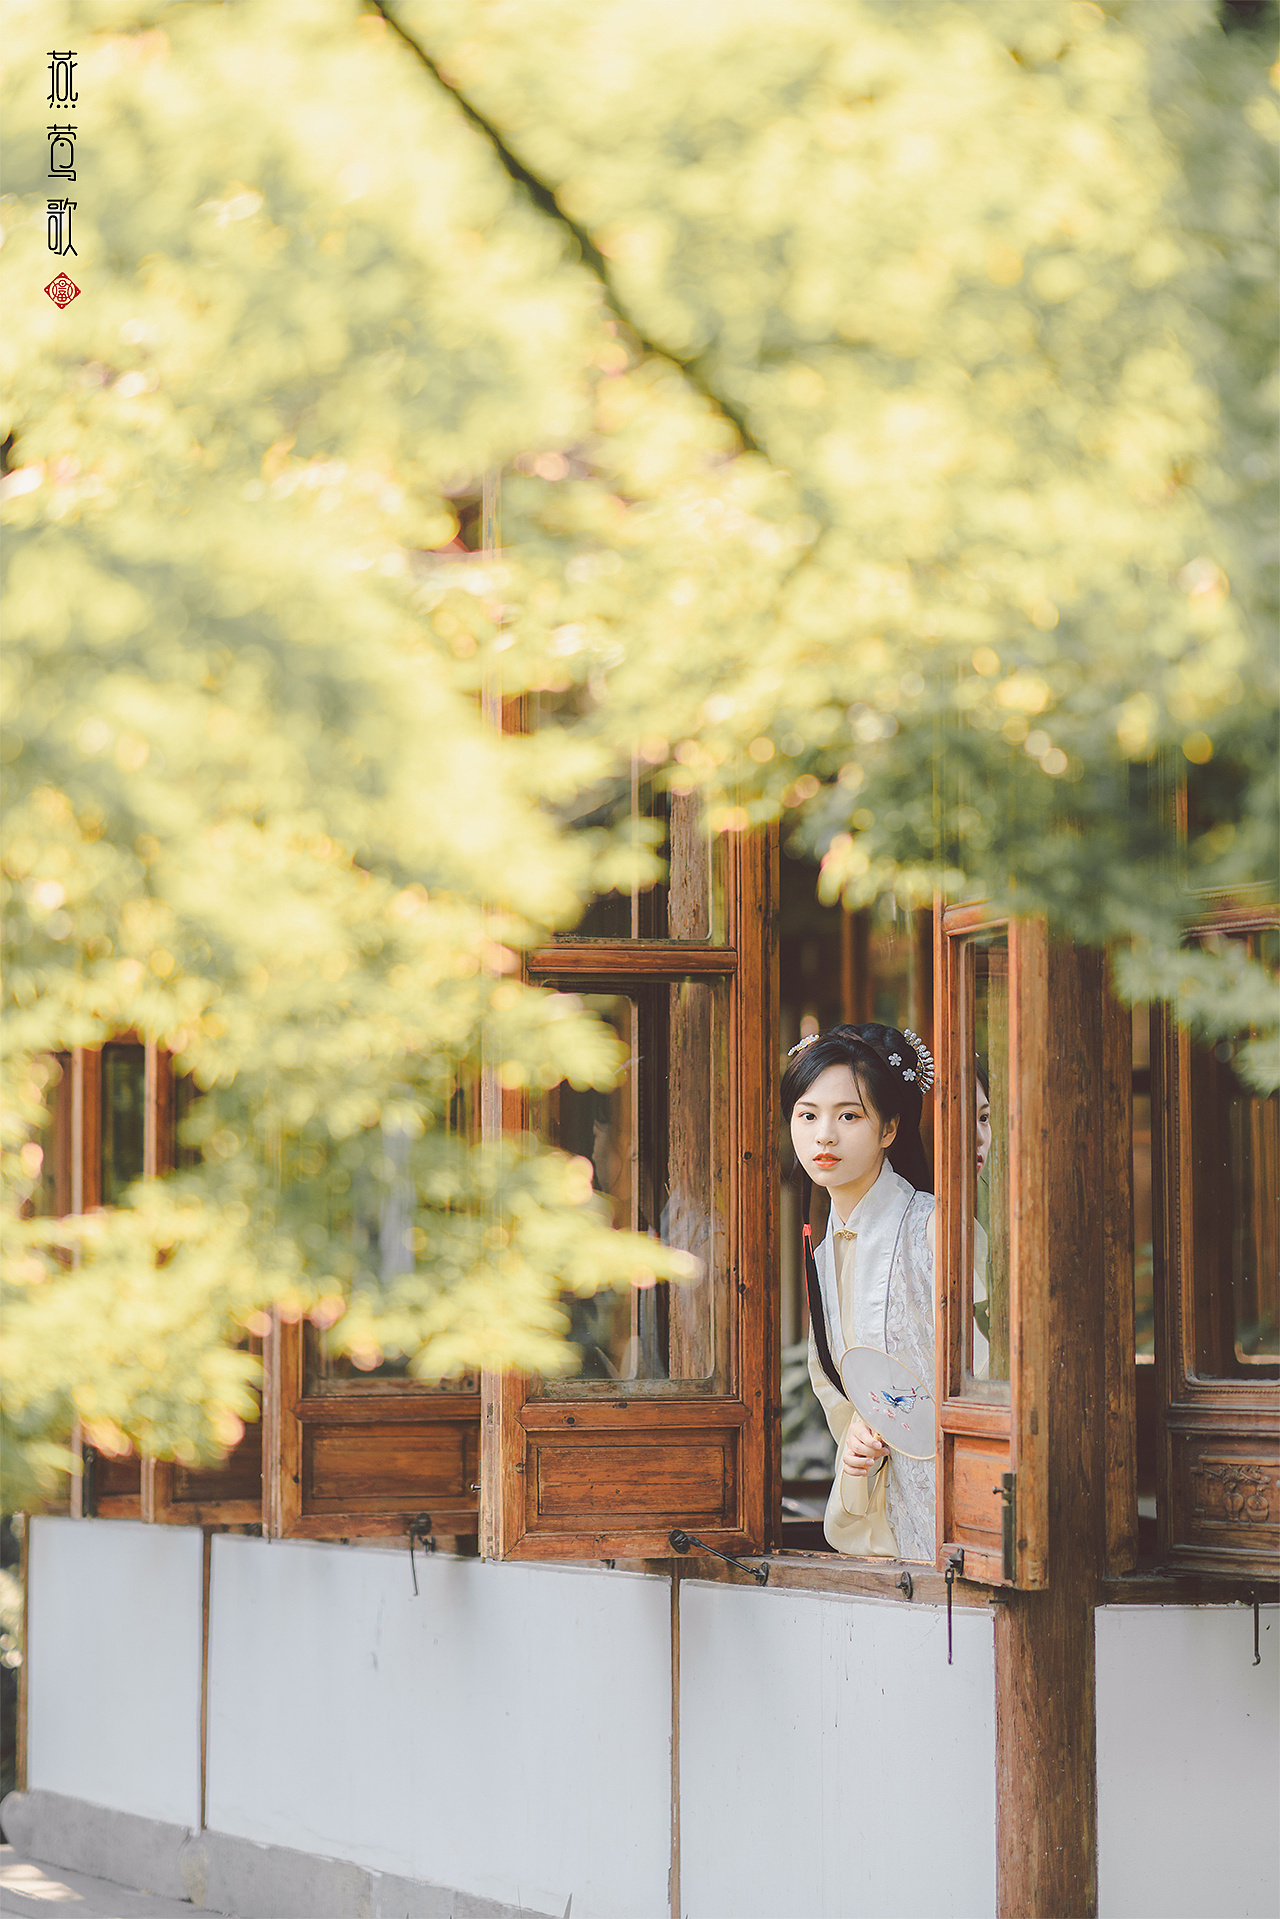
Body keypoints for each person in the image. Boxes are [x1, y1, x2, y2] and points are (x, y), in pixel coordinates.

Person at [783, 1023, 937, 1560]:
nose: (824, 1135)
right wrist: (856, 1443)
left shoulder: (933, 1229)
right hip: (883, 1506)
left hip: (954, 1502)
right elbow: (841, 1399)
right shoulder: (824, 1256)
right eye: (808, 1115)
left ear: (890, 1128)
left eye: (849, 1115)